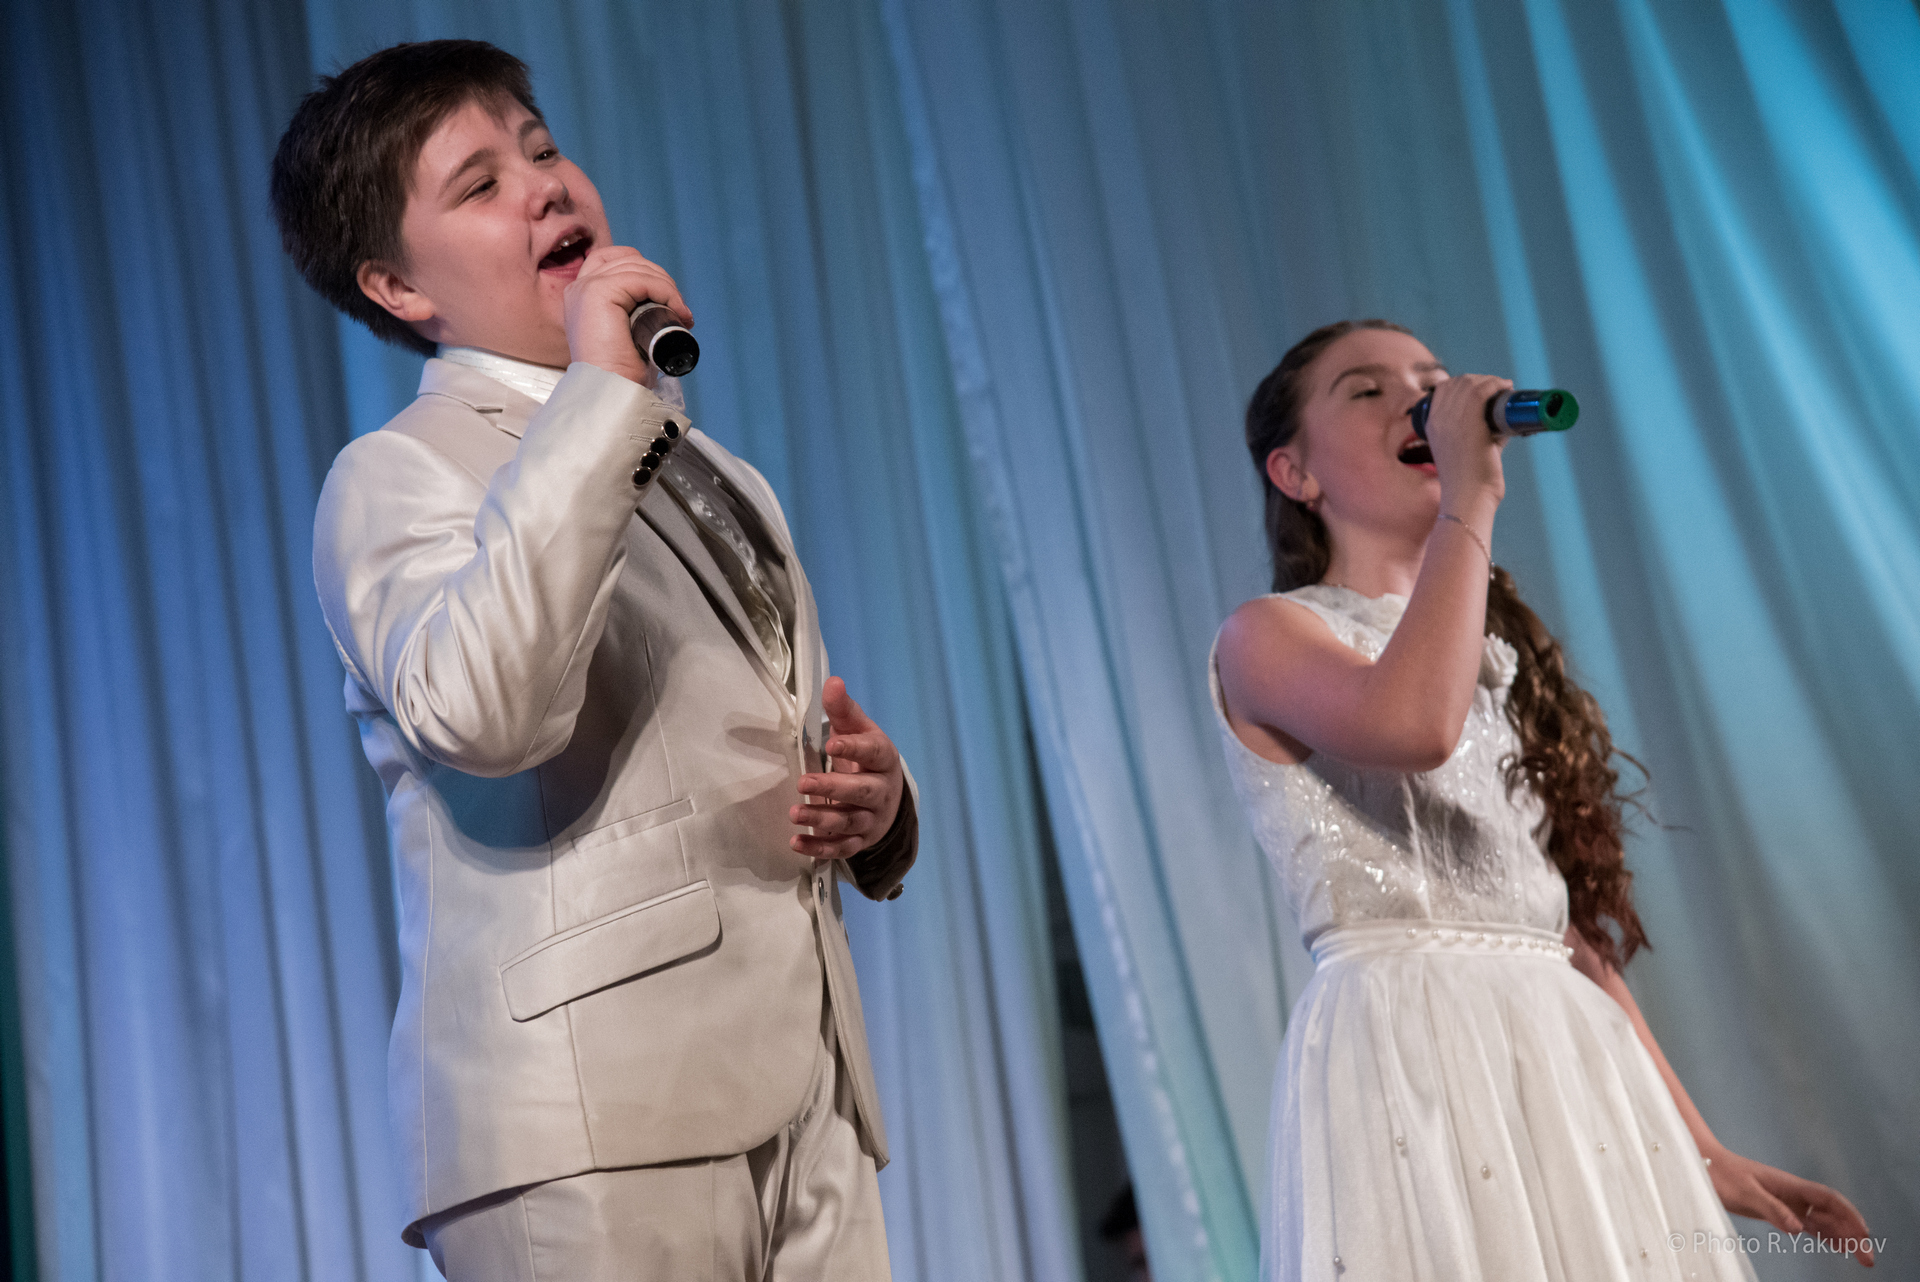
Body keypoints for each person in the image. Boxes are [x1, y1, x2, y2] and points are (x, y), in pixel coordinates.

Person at [270, 41, 915, 1280]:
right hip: (585, 1119)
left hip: (809, 1094)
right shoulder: (397, 473)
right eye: (481, 183)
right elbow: (486, 713)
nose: (545, 185)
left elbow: (732, 732)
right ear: (396, 285)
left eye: (545, 148)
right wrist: (604, 401)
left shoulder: (711, 467)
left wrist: (880, 808)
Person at [1210, 320, 1874, 1279]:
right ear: (1294, 473)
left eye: (1433, 381)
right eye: (1367, 389)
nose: (1420, 402)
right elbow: (1412, 726)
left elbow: (1550, 924)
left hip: (1561, 1053)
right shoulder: (1266, 635)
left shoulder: (1492, 662)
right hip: (1413, 1046)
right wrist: (1470, 499)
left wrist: (1703, 1150)